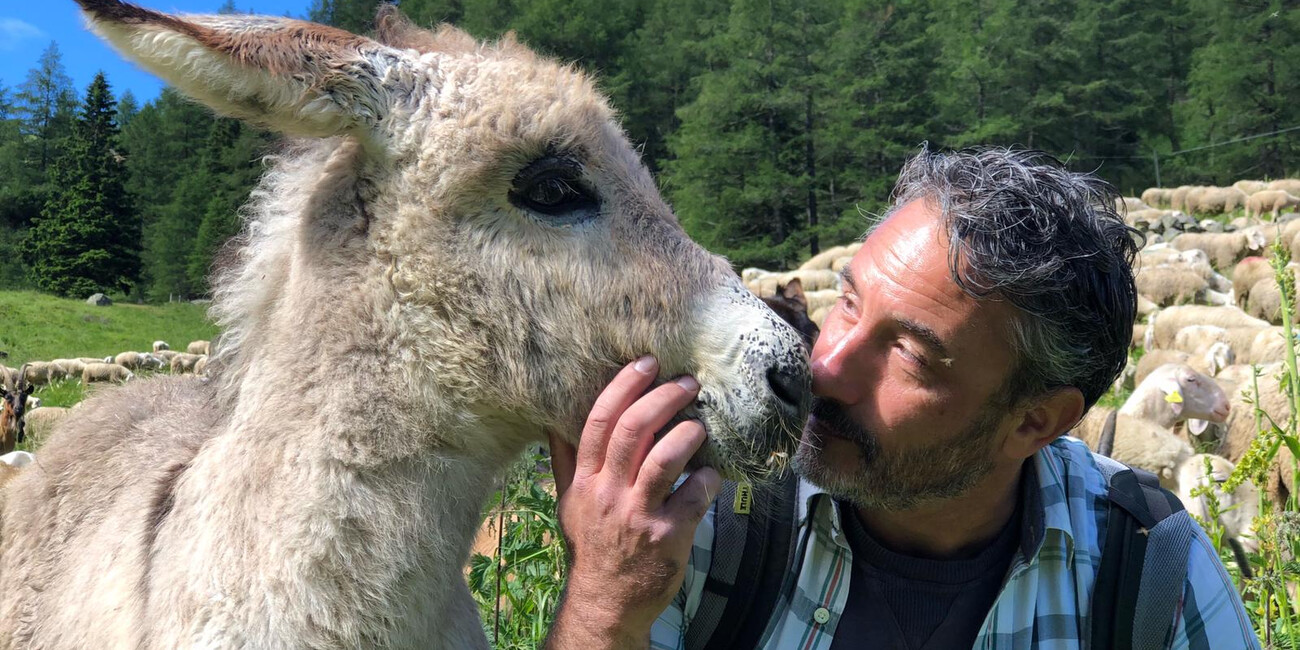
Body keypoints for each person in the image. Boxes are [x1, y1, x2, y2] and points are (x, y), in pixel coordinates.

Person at [544, 148, 1260, 649]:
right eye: (849, 304)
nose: (823, 367)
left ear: (1035, 420)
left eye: (910, 354)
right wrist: (605, 606)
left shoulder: (1150, 577)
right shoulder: (700, 525)